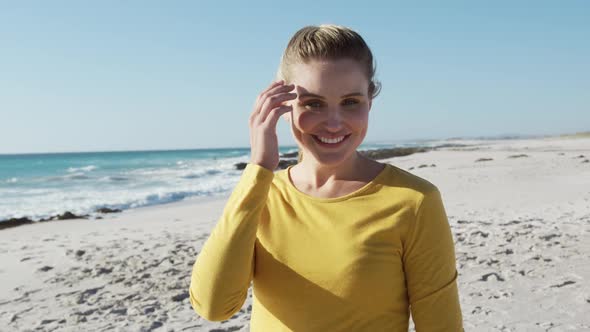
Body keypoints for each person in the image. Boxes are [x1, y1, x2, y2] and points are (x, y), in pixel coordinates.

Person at [189, 24, 463, 331]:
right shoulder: (260, 195)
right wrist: (259, 167)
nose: (334, 123)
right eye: (313, 103)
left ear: (369, 102)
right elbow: (213, 306)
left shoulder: (414, 201)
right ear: (282, 105)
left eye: (350, 102)